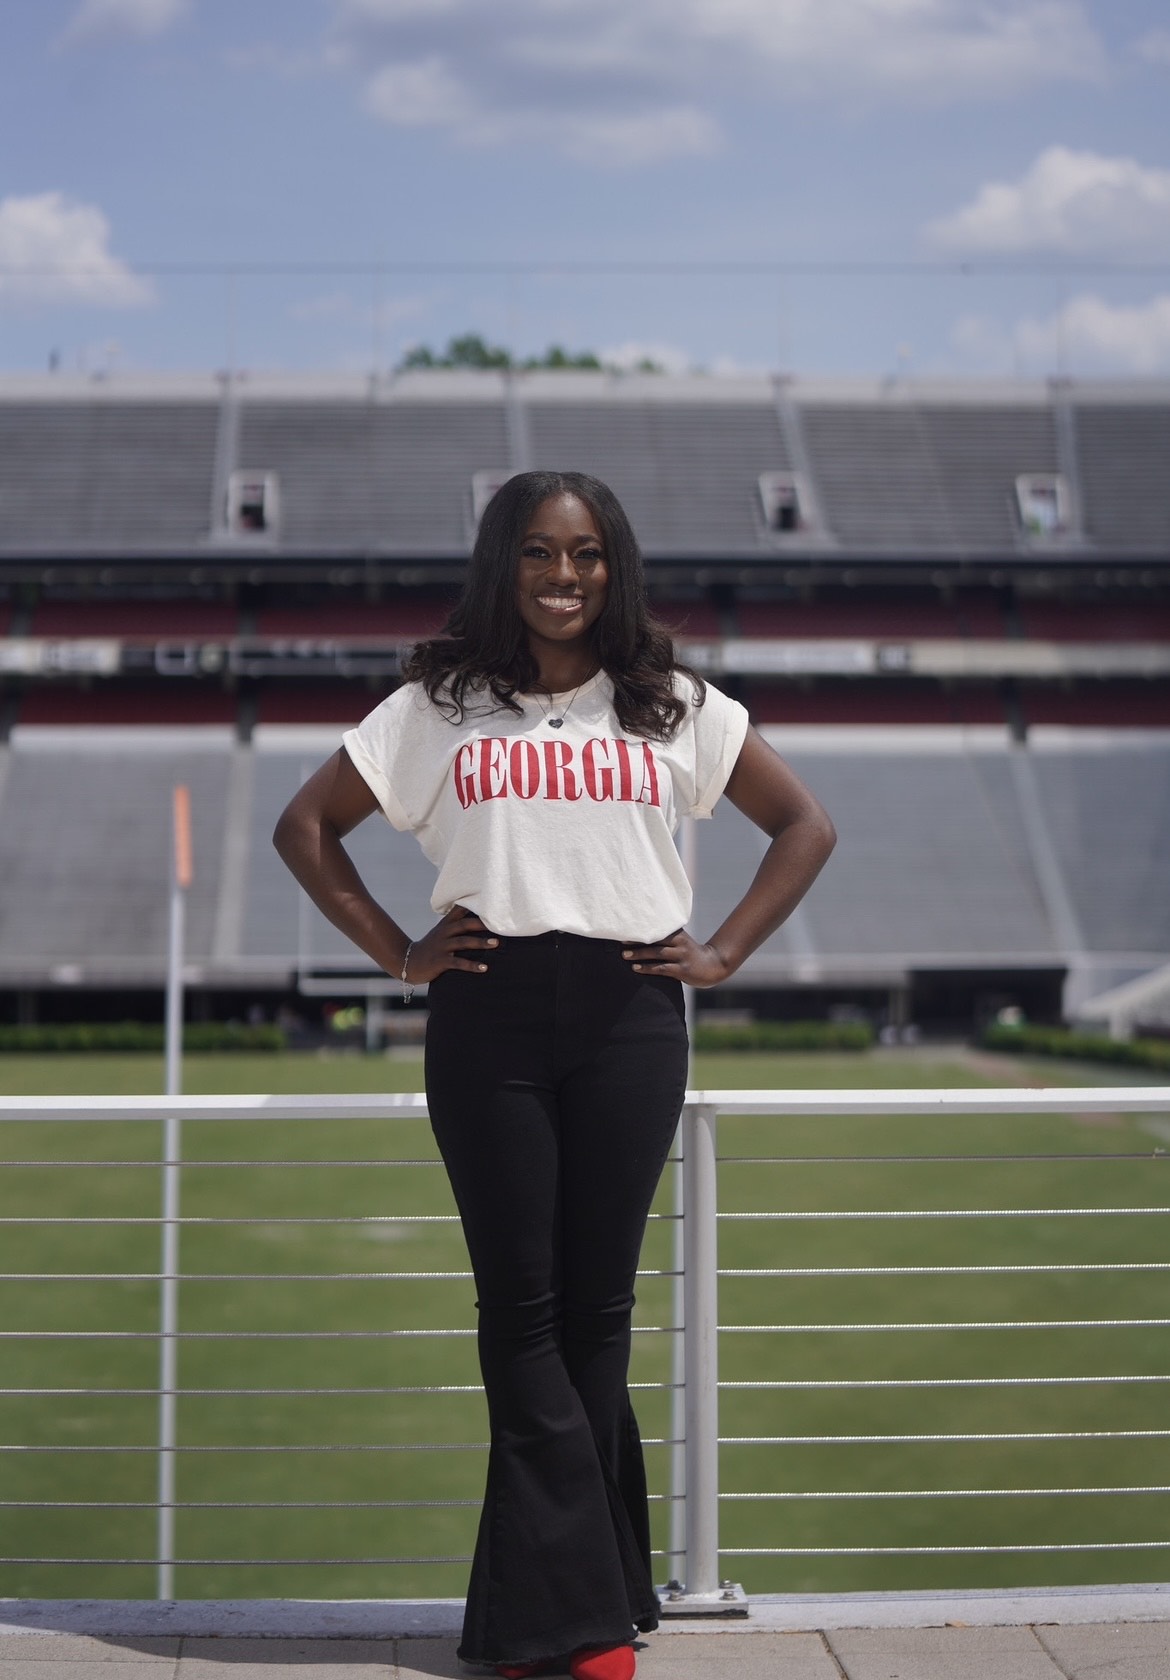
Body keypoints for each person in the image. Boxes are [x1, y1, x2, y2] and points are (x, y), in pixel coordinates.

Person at [273, 470, 835, 1680]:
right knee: (521, 1315)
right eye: (538, 552)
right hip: (492, 1015)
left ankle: (573, 1603)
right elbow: (304, 829)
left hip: (634, 1014)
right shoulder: (439, 706)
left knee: (597, 1317)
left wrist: (723, 952)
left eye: (585, 554)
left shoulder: (672, 705)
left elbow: (806, 825)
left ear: (613, 567)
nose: (563, 575)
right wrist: (400, 954)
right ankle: (581, 1621)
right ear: (504, 565)